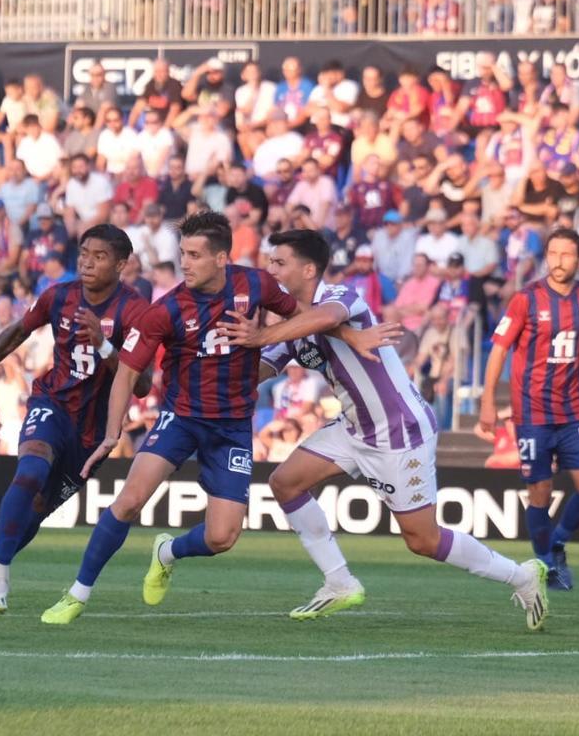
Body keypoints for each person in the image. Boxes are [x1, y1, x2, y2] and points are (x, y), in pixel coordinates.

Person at [37, 213, 387, 624]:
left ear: (222, 258)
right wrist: (112, 433)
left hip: (233, 426)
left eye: (195, 255)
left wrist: (352, 335)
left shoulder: (255, 285)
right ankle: (77, 594)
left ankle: (168, 551)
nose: (185, 263)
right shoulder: (165, 309)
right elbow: (128, 372)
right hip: (181, 418)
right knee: (130, 500)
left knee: (222, 537)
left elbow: (303, 316)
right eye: (183, 253)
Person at [231, 229, 547, 628]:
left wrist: (261, 334)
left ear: (308, 269)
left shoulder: (341, 297)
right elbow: (253, 373)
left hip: (400, 431)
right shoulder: (290, 327)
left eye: (279, 262)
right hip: (354, 427)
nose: (269, 269)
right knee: (285, 482)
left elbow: (326, 320)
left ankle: (522, 576)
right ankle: (339, 582)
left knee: (423, 540)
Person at [0, 225, 151, 614]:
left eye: (99, 256)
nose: (87, 261)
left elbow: (143, 385)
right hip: (51, 402)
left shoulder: (135, 310)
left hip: (94, 434)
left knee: (37, 513)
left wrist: (104, 344)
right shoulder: (59, 296)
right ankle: (1, 572)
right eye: (84, 252)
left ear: (121, 264)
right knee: (32, 468)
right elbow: (18, 332)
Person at [479, 228, 579, 590]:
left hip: (574, 409)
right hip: (531, 412)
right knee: (540, 492)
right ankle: (545, 564)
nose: (558, 261)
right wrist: (487, 402)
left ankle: (556, 543)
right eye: (553, 253)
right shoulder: (526, 299)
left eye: (566, 254)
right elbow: (499, 349)